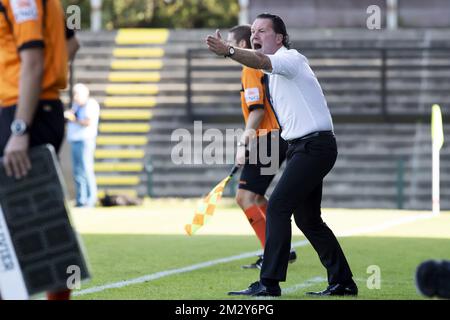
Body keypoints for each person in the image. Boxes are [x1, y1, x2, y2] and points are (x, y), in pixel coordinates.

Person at [206, 13, 357, 297]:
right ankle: (343, 282)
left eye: (262, 31)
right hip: (305, 147)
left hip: (314, 147)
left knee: (277, 207)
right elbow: (261, 65)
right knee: (308, 220)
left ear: (280, 38)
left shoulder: (290, 59)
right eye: (253, 31)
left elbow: (261, 61)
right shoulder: (273, 73)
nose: (255, 35)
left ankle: (269, 283)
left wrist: (228, 50)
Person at [0, 0, 80, 300]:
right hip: (36, 107)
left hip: (25, 112)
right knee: (40, 218)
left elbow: (32, 61)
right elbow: (72, 44)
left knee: (38, 220)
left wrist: (20, 127)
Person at [227, 24, 297, 269]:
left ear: (242, 45)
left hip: (268, 137)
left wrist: (243, 143)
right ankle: (282, 249)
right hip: (280, 136)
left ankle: (272, 254)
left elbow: (257, 110)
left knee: (243, 197)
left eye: (231, 43)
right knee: (256, 197)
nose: (228, 47)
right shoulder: (262, 65)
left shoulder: (249, 67)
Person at [65, 83, 100, 208]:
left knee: (86, 169)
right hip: (75, 140)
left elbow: (87, 121)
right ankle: (81, 199)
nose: (75, 97)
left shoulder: (90, 104)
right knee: (78, 171)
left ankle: (91, 199)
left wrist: (74, 119)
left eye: (77, 94)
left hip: (85, 140)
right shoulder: (76, 105)